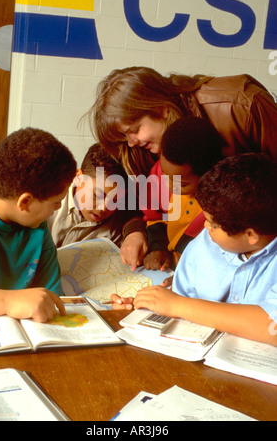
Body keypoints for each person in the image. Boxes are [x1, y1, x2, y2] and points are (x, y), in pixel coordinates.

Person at [87, 67, 277, 269]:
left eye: (133, 130)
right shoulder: (143, 146)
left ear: (161, 108)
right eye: (124, 136)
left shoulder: (241, 105)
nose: (131, 143)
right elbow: (140, 199)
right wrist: (136, 230)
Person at [112, 153, 277, 346]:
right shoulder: (206, 243)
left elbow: (271, 327)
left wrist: (177, 305)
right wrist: (146, 305)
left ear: (251, 235)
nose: (206, 228)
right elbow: (180, 304)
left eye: (213, 224)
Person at [0, 127, 77, 323]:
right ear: (25, 202)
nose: (56, 210)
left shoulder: (36, 225)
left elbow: (52, 296)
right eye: (56, 202)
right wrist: (8, 301)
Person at [142, 116, 225, 271]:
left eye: (182, 183)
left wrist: (182, 257)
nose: (171, 186)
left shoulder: (219, 203)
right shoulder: (162, 173)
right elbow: (155, 216)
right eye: (165, 175)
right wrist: (158, 247)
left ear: (207, 175)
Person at [48, 143, 135, 248]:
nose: (104, 208)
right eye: (98, 195)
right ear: (79, 178)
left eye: (115, 201)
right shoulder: (45, 200)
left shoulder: (116, 230)